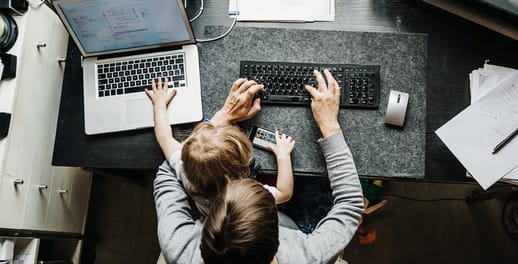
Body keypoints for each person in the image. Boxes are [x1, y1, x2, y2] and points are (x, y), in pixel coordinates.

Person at [153, 69, 364, 263]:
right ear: (276, 241)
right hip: (296, 225)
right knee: (316, 186)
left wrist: (220, 121)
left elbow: (168, 173)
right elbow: (350, 204)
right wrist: (329, 125)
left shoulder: (179, 249)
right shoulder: (306, 256)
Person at [145, 78, 295, 215]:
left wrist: (159, 104)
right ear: (242, 168)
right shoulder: (245, 195)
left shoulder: (185, 170)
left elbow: (164, 138)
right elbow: (284, 193)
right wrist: (283, 156)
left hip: (210, 213)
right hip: (241, 213)